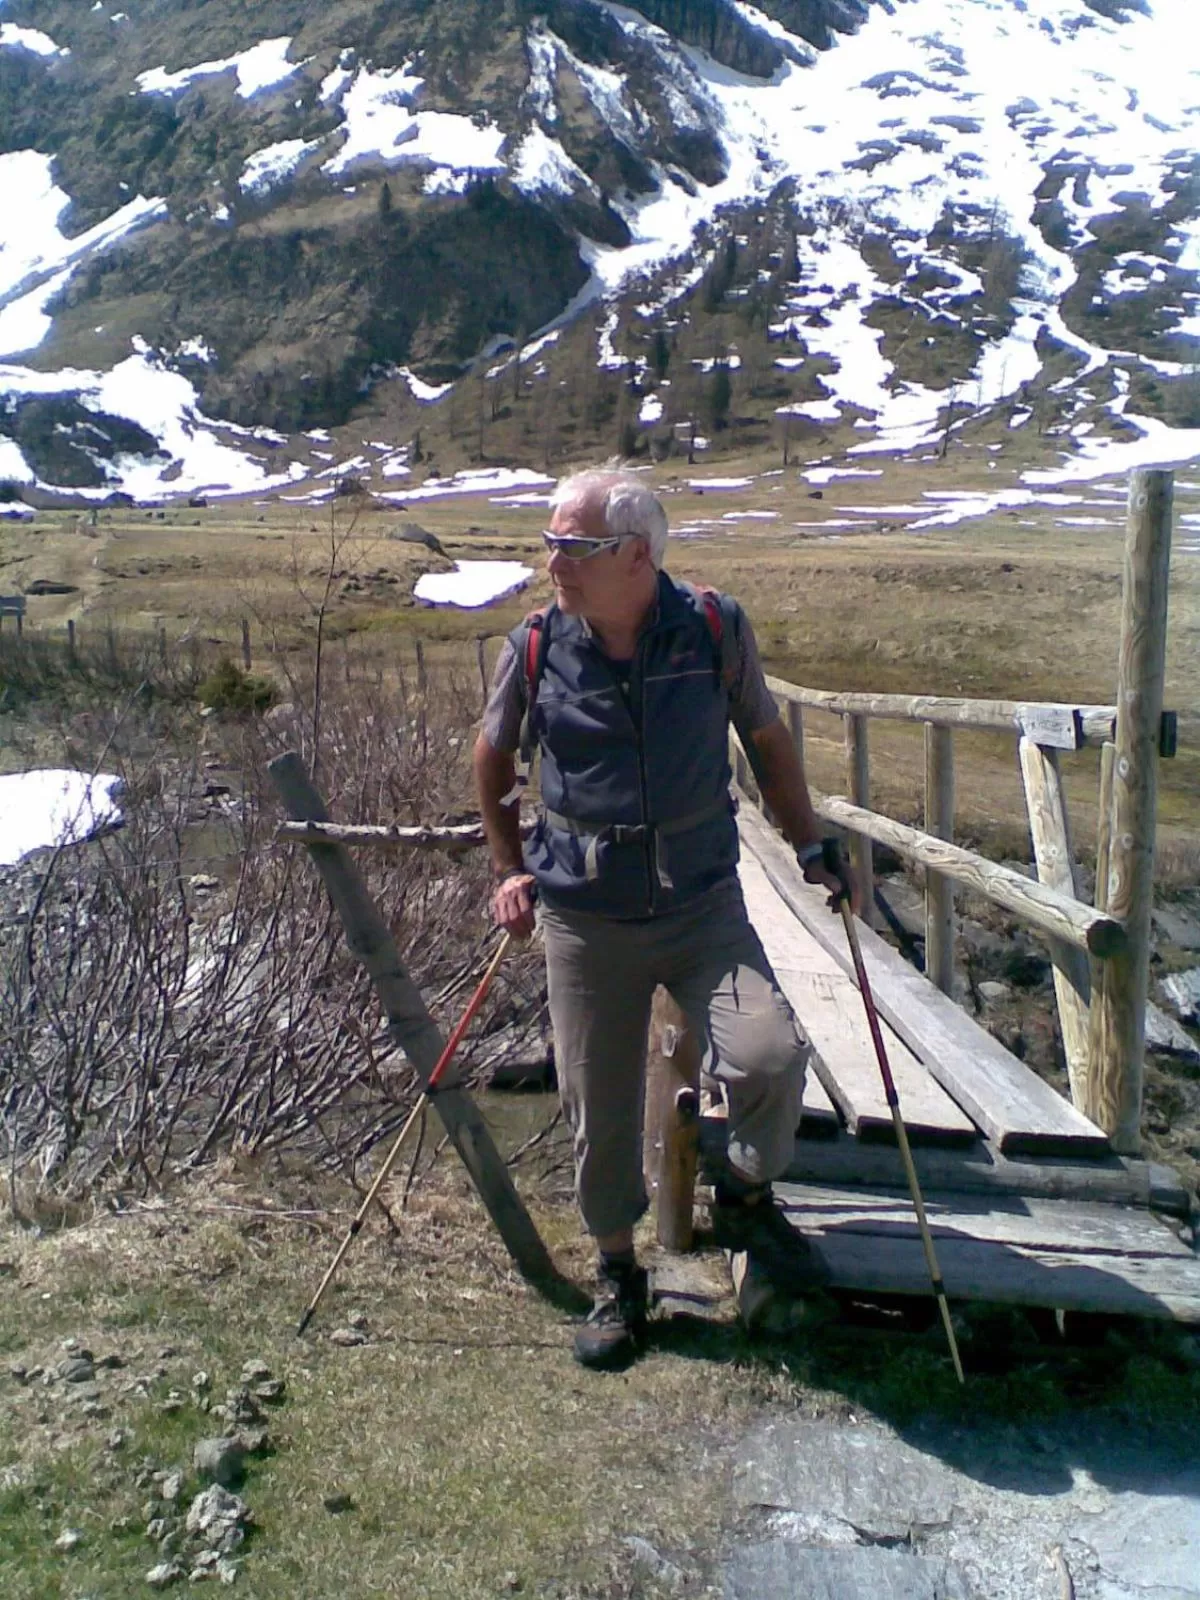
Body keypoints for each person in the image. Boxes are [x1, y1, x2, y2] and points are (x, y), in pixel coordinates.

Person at [473, 468, 849, 1371]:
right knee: (598, 1113)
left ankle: (746, 1195)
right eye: (552, 541)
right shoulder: (532, 647)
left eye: (575, 546)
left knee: (769, 1055)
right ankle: (618, 1275)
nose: (552, 560)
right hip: (583, 915)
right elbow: (491, 757)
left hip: (700, 903)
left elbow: (765, 736)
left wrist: (809, 847)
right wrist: (507, 870)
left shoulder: (713, 628)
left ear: (637, 555)